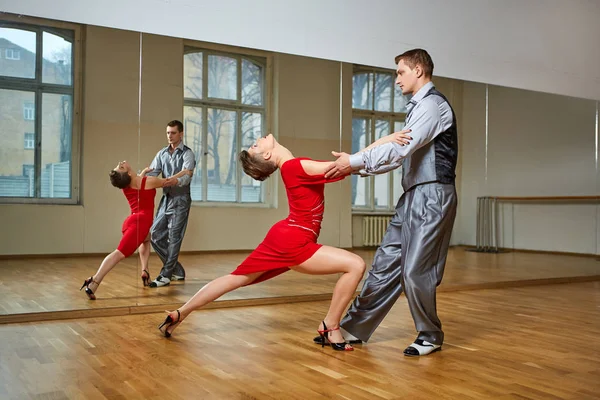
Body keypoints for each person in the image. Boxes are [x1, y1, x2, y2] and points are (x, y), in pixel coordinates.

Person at [156, 132, 409, 349]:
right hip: (294, 240)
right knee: (355, 265)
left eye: (255, 142)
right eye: (256, 145)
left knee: (236, 278)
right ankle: (330, 325)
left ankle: (180, 313)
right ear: (267, 156)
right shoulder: (294, 166)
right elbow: (351, 164)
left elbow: (350, 164)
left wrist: (369, 153)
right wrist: (386, 140)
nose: (258, 140)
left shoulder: (293, 167)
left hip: (285, 235)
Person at [323, 48, 459, 357]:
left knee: (415, 270)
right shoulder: (418, 108)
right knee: (384, 265)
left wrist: (354, 161)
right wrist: (357, 165)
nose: (396, 79)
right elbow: (397, 157)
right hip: (412, 195)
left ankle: (430, 334)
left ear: (418, 71)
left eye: (400, 72)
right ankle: (354, 328)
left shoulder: (433, 106)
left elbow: (401, 151)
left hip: (433, 195)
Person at [80, 161, 192, 299]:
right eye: (120, 167)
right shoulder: (148, 181)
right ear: (128, 173)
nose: (120, 163)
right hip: (141, 223)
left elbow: (136, 182)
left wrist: (142, 173)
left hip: (132, 221)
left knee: (146, 240)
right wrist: (184, 172)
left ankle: (145, 270)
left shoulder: (127, 184)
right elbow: (169, 181)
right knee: (119, 253)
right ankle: (94, 281)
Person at [146, 120, 196, 287]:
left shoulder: (187, 154)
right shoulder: (162, 154)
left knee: (174, 237)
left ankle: (166, 275)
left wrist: (175, 181)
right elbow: (152, 173)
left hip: (181, 199)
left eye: (173, 133)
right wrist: (144, 176)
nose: (170, 136)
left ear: (180, 134)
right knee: (154, 234)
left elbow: (187, 175)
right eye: (168, 133)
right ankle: (177, 270)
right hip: (166, 198)